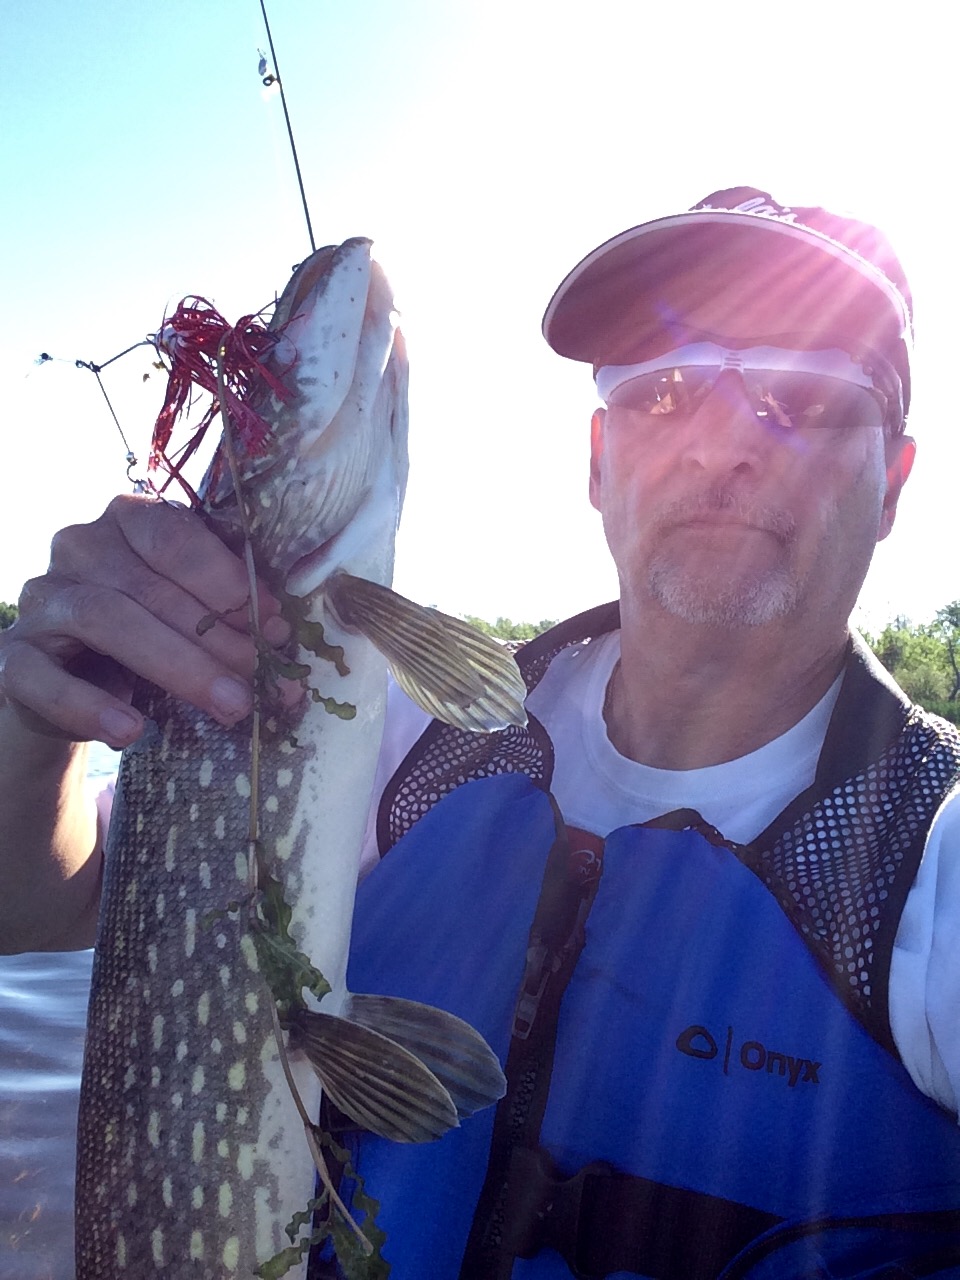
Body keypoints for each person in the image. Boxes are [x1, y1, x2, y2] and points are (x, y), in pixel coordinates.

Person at [1, 186, 959, 1279]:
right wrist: (37, 727)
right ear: (599, 460)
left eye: (804, 394)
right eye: (668, 391)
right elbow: (31, 905)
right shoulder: (394, 735)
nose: (722, 448)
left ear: (891, 481)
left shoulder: (934, 877)